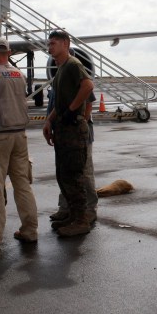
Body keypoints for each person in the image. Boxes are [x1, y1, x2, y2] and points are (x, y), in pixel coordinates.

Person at [0, 37, 38, 250]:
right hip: (20, 136)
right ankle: (30, 231)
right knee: (22, 185)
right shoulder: (18, 75)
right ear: (9, 53)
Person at [42, 30, 94, 237]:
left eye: (53, 43)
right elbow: (59, 102)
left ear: (65, 43)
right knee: (63, 175)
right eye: (49, 44)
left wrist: (73, 110)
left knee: (73, 176)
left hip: (73, 129)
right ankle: (73, 215)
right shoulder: (61, 68)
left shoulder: (73, 65)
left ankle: (81, 220)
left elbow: (88, 86)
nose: (49, 47)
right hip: (63, 129)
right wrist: (49, 120)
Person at [49, 91, 98, 225]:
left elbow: (88, 102)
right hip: (65, 135)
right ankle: (66, 208)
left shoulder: (75, 73)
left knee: (85, 172)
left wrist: (81, 125)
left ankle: (90, 210)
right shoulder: (59, 78)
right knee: (65, 173)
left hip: (78, 136)